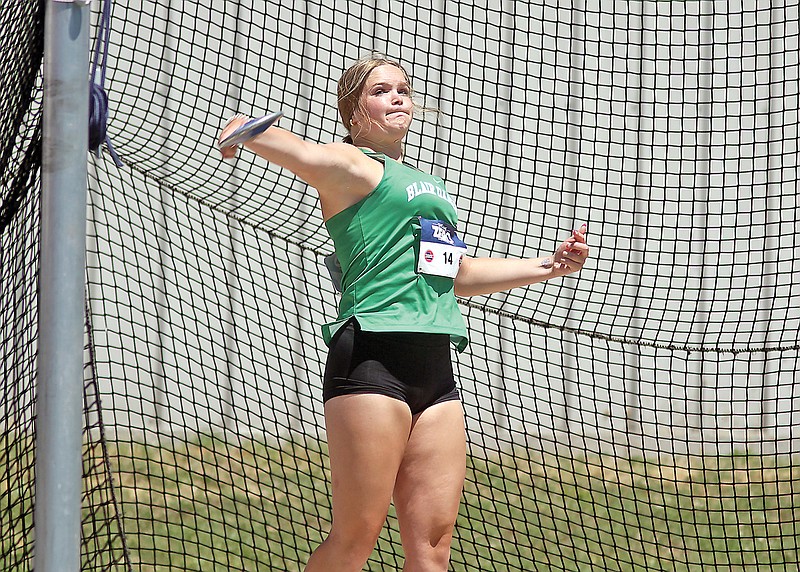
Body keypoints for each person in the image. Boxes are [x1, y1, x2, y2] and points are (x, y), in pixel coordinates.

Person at [219, 55, 589, 572]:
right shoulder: (349, 166)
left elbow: (454, 276)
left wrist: (549, 267)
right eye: (381, 91)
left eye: (404, 89)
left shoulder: (426, 184)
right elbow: (282, 145)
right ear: (354, 112)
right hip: (372, 357)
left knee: (433, 548)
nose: (398, 97)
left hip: (435, 368)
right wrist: (239, 133)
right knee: (356, 537)